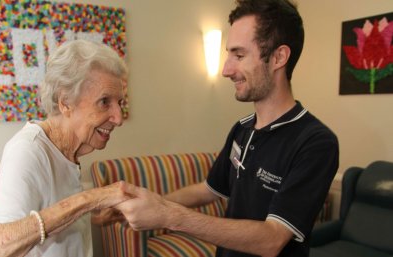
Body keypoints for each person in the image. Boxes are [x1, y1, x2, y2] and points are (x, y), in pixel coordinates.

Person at [114, 0, 339, 257]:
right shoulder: (242, 130)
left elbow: (272, 239)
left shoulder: (315, 143)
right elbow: (208, 189)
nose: (226, 70)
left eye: (239, 55)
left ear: (279, 57)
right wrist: (147, 203)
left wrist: (169, 215)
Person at [0, 39, 129, 257]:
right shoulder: (28, 150)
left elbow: (50, 215)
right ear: (65, 102)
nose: (119, 118)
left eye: (119, 103)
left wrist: (92, 218)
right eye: (104, 102)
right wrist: (90, 199)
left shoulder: (68, 151)